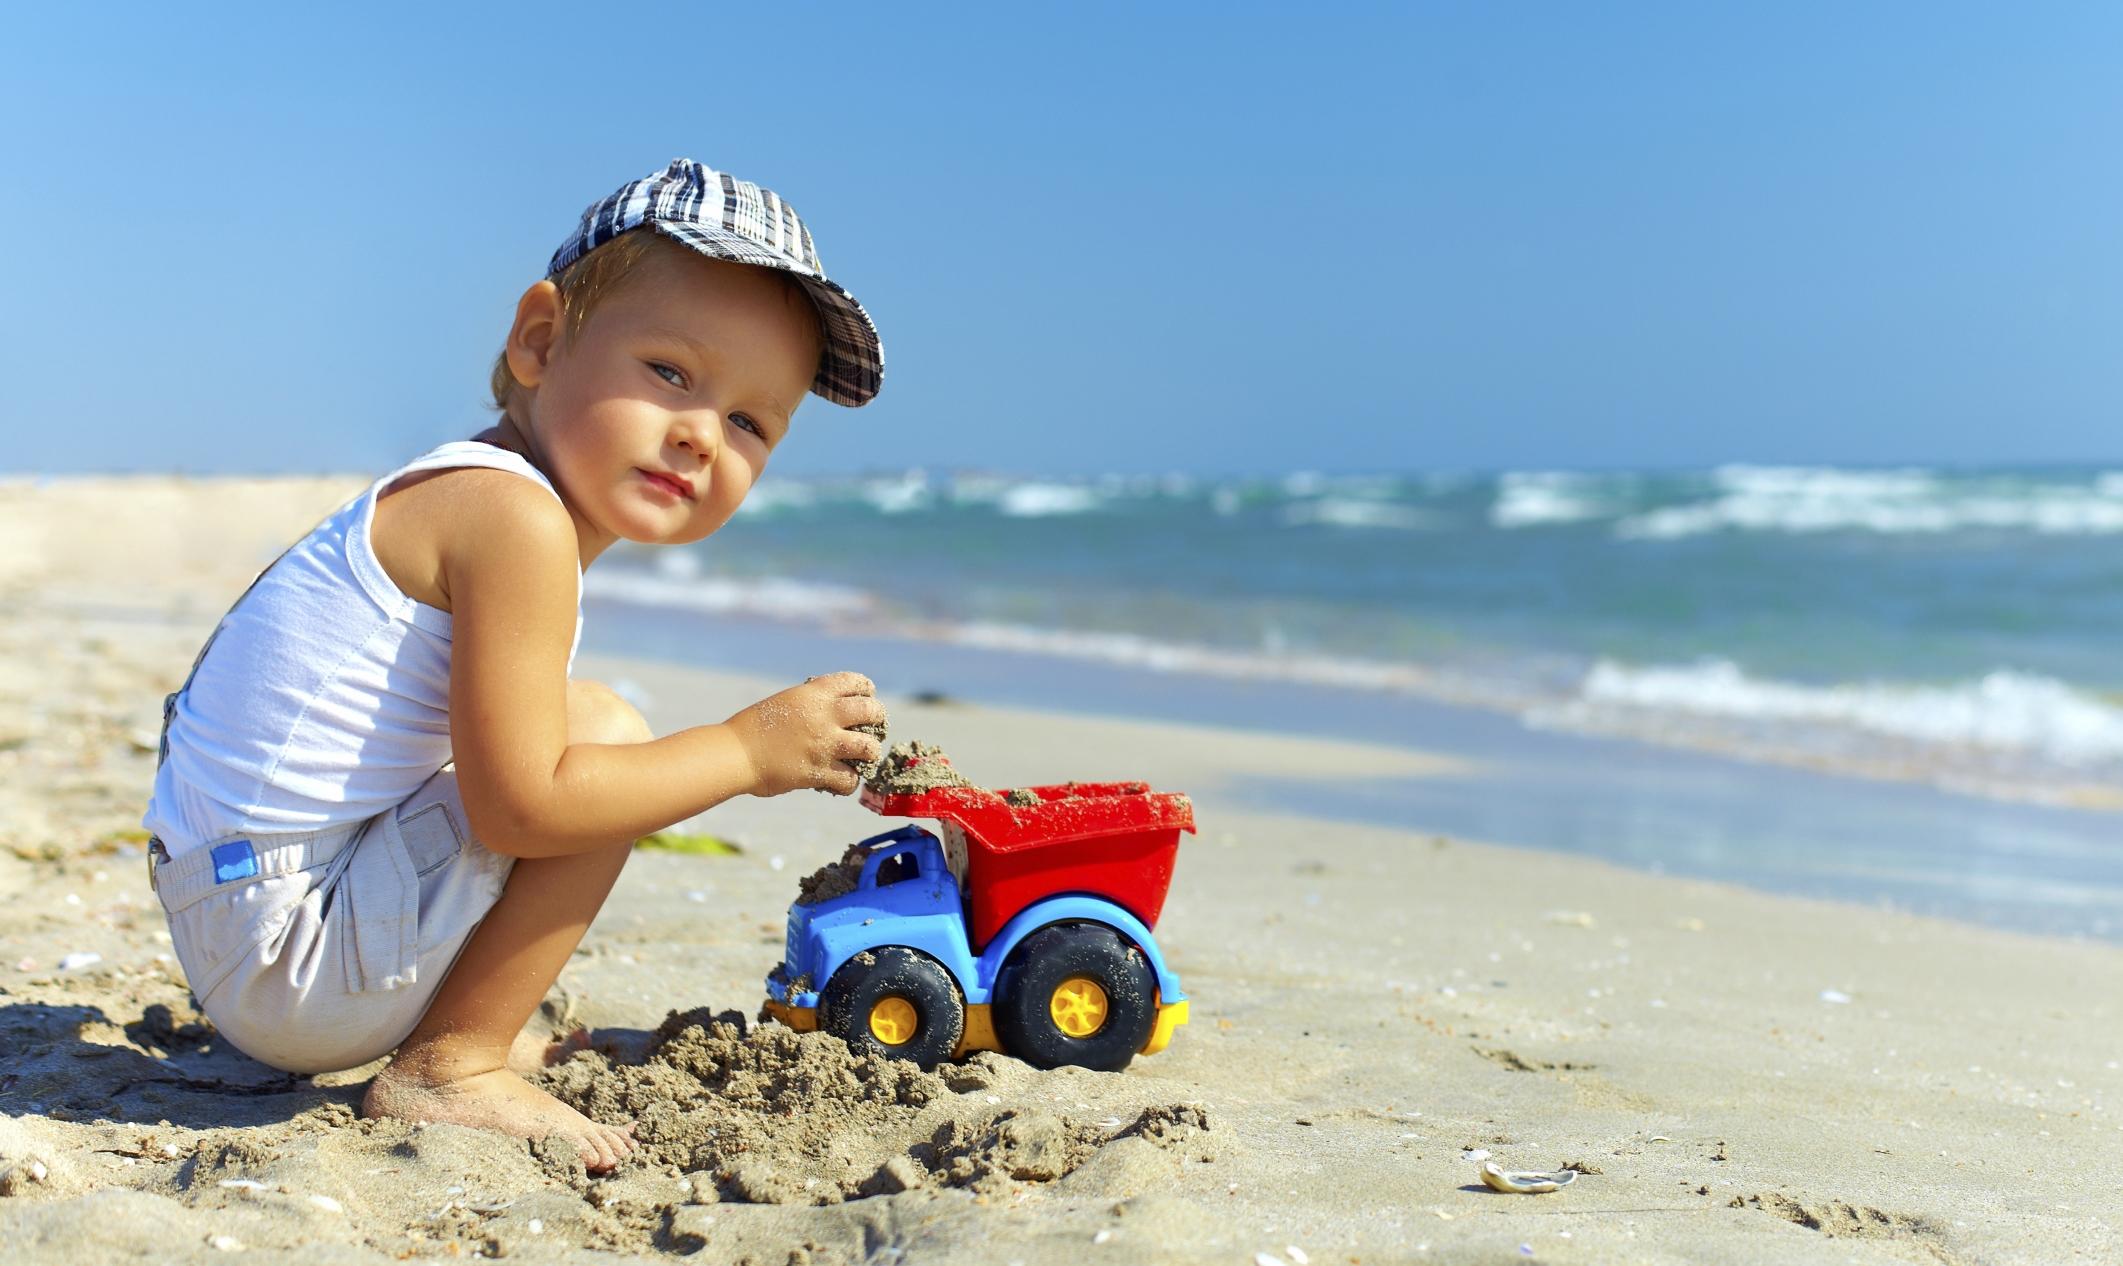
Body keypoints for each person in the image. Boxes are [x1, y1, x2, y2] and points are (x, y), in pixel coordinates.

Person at [140, 159, 887, 1170]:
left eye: (751, 422)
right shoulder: (514, 521)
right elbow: (521, 811)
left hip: (246, 915)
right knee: (602, 744)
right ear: (540, 341)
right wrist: (744, 751)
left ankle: (448, 1020)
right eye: (669, 373)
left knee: (570, 726)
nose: (701, 435)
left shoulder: (479, 493)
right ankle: (451, 1062)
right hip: (289, 952)